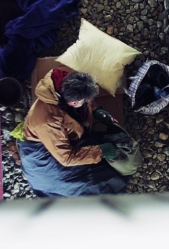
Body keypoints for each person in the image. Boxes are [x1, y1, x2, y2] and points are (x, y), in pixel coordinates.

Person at [17, 69, 127, 197]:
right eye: (84, 102)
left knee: (97, 155)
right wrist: (101, 151)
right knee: (90, 184)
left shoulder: (66, 79)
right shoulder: (48, 121)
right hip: (42, 158)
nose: (87, 103)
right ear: (73, 103)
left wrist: (97, 110)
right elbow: (67, 158)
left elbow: (84, 94)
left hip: (56, 140)